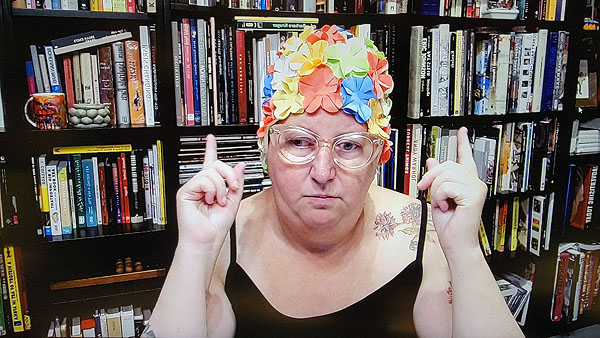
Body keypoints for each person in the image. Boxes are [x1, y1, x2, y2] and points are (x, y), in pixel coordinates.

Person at [143, 25, 524, 338]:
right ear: (266, 150)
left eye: (348, 146)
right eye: (298, 142)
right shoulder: (224, 236)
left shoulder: (420, 234)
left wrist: (466, 253)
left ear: (378, 156)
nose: (323, 172)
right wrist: (194, 250)